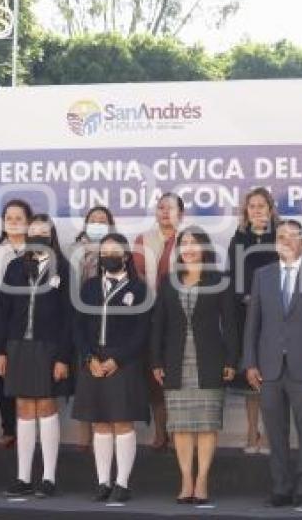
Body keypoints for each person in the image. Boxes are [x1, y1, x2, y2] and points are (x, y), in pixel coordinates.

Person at [242, 219, 302, 511]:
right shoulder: (262, 275)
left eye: (292, 236)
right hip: (269, 367)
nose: (285, 241)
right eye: (280, 236)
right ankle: (281, 487)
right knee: (275, 431)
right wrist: (250, 362)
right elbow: (253, 324)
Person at [151, 226, 239, 505]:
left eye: (193, 243)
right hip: (175, 360)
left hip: (210, 359)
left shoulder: (220, 280)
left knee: (206, 424)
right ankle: (186, 479)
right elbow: (158, 325)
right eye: (183, 243)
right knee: (181, 425)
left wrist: (231, 359)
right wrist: (156, 360)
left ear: (204, 248)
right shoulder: (168, 281)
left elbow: (231, 324)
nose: (187, 248)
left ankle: (202, 481)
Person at [0, 214, 73, 498]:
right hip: (17, 346)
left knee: (46, 407)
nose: (38, 236)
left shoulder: (63, 268)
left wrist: (63, 357)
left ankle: (49, 478)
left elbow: (69, 317)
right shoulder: (15, 267)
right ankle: (23, 477)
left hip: (48, 348)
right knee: (24, 408)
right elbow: (3, 310)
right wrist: (0, 350)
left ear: (52, 235)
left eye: (44, 232)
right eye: (34, 231)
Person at [72, 233, 150, 504]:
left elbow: (142, 332)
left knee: (121, 421)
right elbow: (78, 326)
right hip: (93, 361)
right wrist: (88, 357)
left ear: (126, 256)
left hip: (123, 363)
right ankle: (103, 482)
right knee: (100, 423)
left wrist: (118, 359)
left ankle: (122, 483)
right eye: (104, 252)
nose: (109, 256)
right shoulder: (89, 287)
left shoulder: (139, 289)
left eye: (115, 251)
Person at [228, 187, 279, 455]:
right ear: (246, 212)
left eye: (262, 205)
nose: (257, 210)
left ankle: (271, 435)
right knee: (252, 375)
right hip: (246, 314)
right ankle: (251, 432)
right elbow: (235, 276)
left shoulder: (280, 237)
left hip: (276, 316)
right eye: (252, 206)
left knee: (273, 377)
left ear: (270, 210)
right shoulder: (239, 239)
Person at [132, 192, 185, 451]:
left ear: (181, 214)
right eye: (161, 207)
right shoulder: (143, 240)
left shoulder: (189, 240)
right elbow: (137, 275)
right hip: (150, 316)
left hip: (180, 317)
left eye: (171, 208)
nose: (165, 212)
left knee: (177, 376)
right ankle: (160, 431)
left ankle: (177, 432)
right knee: (155, 377)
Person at [0, 198, 33, 450]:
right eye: (9, 218)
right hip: (1, 319)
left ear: (28, 222)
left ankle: (31, 430)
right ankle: (9, 429)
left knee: (30, 377)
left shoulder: (37, 250)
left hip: (31, 322)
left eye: (18, 218)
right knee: (4, 377)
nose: (13, 223)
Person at [69, 205, 116, 450]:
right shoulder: (74, 250)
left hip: (109, 318)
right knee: (83, 377)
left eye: (102, 220)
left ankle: (107, 432)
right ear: (86, 223)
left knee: (107, 376)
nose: (98, 223)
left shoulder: (116, 250)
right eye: (93, 219)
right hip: (81, 317)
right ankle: (84, 436)